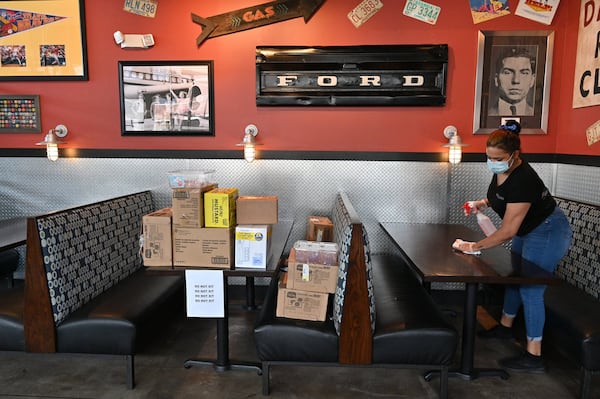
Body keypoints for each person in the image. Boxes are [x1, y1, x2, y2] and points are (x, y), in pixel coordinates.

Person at [452, 120, 572, 373]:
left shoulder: (524, 179)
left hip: (547, 231)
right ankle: (505, 329)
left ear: (515, 155)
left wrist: (474, 245)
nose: (492, 162)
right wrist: (482, 203)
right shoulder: (502, 169)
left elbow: (507, 231)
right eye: (489, 156)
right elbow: (501, 195)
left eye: (497, 158)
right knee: (514, 277)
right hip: (529, 230)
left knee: (531, 289)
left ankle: (534, 356)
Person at [488, 47, 536, 117]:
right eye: (507, 72)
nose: (516, 80)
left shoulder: (538, 117)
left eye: (524, 73)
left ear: (532, 80)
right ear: (496, 79)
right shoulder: (485, 116)